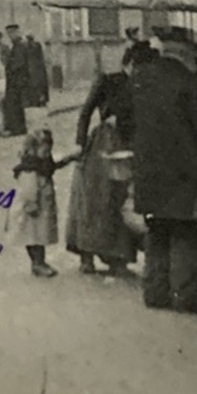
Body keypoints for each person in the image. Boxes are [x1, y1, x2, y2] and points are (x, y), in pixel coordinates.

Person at [131, 37, 197, 311]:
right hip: (183, 170)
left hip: (147, 170)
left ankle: (154, 293)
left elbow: (125, 118)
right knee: (184, 231)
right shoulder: (189, 81)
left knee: (156, 228)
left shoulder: (140, 77)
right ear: (184, 54)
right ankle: (185, 296)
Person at [66, 44, 144, 276]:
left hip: (128, 145)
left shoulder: (145, 85)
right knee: (94, 199)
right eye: (137, 68)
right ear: (128, 64)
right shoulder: (108, 81)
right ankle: (86, 255)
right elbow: (86, 111)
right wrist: (80, 143)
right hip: (103, 144)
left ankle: (117, 256)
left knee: (120, 199)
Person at [9, 130, 80, 277]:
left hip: (41, 208)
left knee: (38, 237)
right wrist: (31, 204)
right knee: (34, 237)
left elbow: (54, 165)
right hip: (33, 209)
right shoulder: (30, 169)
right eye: (45, 151)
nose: (48, 154)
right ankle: (38, 263)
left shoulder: (41, 164)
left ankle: (38, 263)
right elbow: (28, 189)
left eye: (49, 151)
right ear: (33, 150)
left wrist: (69, 158)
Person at [0, 25, 27, 136]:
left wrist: (8, 66)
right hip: (13, 80)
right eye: (9, 34)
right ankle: (16, 128)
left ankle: (17, 128)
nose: (10, 36)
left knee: (15, 105)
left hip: (17, 80)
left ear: (17, 33)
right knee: (12, 104)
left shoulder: (20, 46)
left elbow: (19, 63)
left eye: (12, 33)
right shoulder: (14, 46)